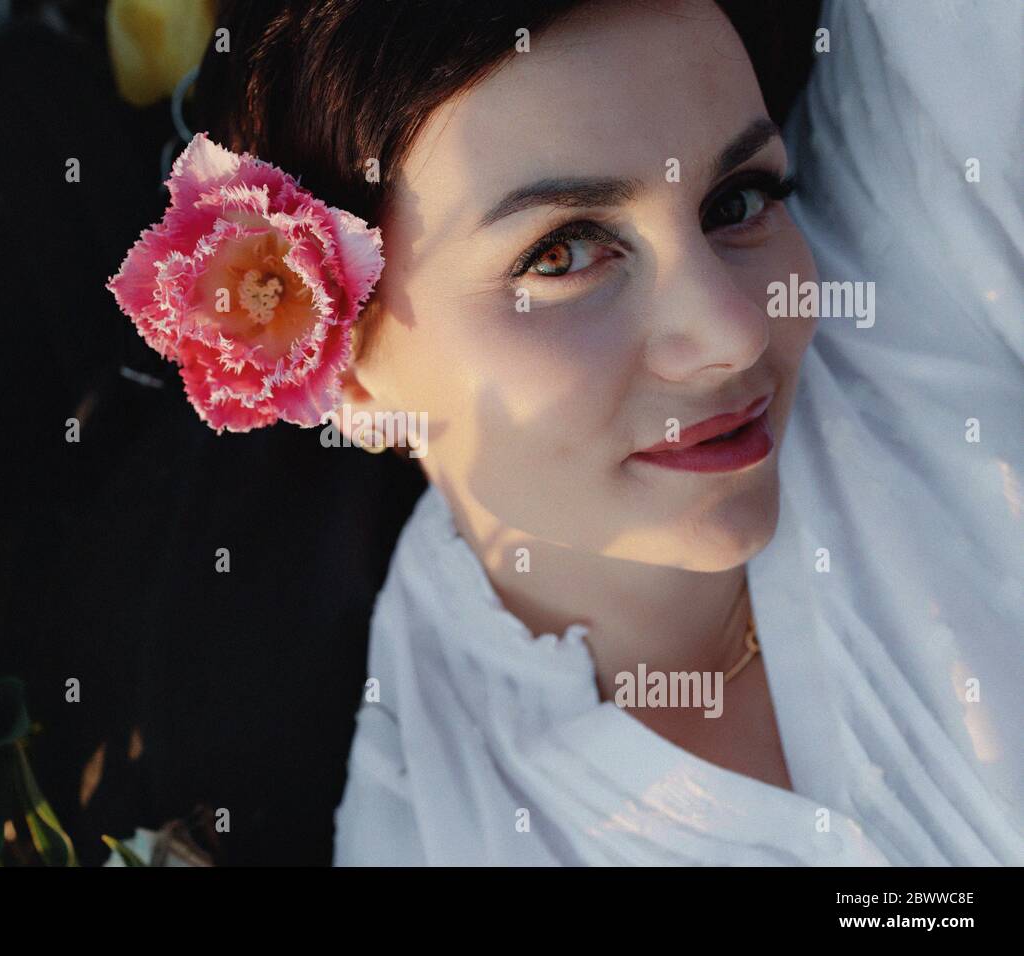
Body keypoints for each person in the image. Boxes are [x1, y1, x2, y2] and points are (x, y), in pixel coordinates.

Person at [115, 0, 1022, 865]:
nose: (735, 331)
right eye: (563, 252)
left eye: (739, 201)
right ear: (339, 370)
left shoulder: (911, 258)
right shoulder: (441, 829)